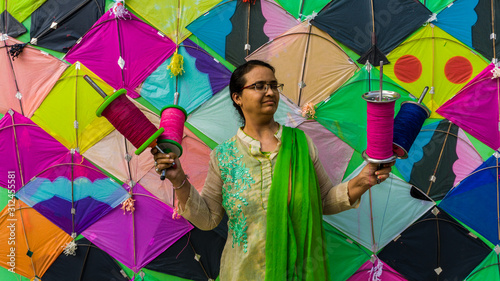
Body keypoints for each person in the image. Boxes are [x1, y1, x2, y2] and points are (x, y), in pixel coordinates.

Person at [151, 60, 393, 280]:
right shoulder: (223, 156)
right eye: (259, 86)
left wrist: (362, 181)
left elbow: (324, 202)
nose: (269, 91)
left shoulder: (300, 144)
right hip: (241, 273)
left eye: (273, 85)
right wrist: (178, 179)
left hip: (297, 272)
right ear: (237, 97)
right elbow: (209, 219)